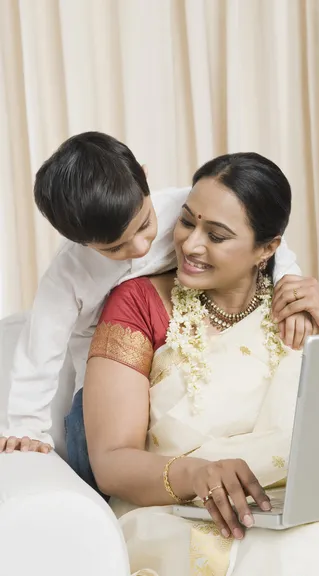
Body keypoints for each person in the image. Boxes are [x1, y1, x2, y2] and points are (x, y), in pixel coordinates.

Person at [83, 152, 319, 576]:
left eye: (218, 235)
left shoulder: (299, 308)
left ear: (267, 247)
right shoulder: (138, 303)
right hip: (178, 510)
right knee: (289, 556)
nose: (190, 245)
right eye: (188, 222)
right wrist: (197, 475)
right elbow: (111, 460)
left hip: (299, 507)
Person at [0, 133, 303, 459]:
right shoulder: (68, 275)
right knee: (90, 443)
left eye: (145, 225)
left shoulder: (181, 209)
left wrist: (290, 284)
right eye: (115, 248)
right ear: (82, 242)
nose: (140, 248)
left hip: (169, 369)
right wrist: (26, 429)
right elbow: (38, 353)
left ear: (144, 177)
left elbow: (264, 240)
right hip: (102, 385)